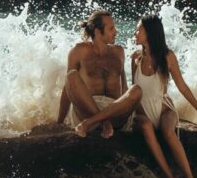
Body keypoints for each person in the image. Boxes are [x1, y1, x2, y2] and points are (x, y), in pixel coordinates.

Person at [131, 13, 197, 178]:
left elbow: (182, 86)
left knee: (168, 131)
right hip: (143, 113)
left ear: (150, 32)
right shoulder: (134, 58)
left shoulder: (167, 57)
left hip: (164, 110)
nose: (135, 32)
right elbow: (133, 93)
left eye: (139, 29)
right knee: (145, 125)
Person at [57, 8, 142, 138]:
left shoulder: (118, 52)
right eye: (111, 29)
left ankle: (102, 121)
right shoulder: (79, 51)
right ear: (97, 31)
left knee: (136, 89)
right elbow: (69, 89)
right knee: (71, 76)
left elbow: (124, 88)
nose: (116, 32)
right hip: (86, 111)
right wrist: (59, 122)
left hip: (115, 113)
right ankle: (103, 122)